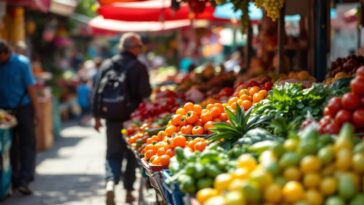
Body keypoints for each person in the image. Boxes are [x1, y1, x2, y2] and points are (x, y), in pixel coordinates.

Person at [93, 33, 151, 205]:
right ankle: (128, 192)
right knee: (131, 156)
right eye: (139, 47)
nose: (140, 50)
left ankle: (111, 182)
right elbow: (146, 93)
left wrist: (96, 117)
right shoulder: (139, 67)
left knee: (112, 153)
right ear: (133, 48)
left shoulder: (107, 64)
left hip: (112, 118)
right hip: (132, 118)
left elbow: (97, 91)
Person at [0, 39, 38, 195]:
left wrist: (37, 111)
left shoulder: (22, 62)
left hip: (23, 108)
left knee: (27, 144)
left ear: (7, 52)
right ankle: (15, 180)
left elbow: (31, 87)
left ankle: (25, 179)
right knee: (11, 146)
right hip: (5, 112)